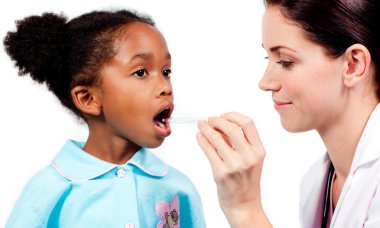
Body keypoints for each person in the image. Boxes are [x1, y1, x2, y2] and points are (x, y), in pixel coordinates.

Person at [3, 9, 205, 228]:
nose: (165, 87)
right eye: (141, 72)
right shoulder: (48, 191)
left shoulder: (178, 189)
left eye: (166, 72)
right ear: (88, 98)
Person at [197, 0, 380, 227]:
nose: (265, 83)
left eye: (285, 61)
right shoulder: (316, 182)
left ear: (353, 64)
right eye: (269, 59)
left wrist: (244, 209)